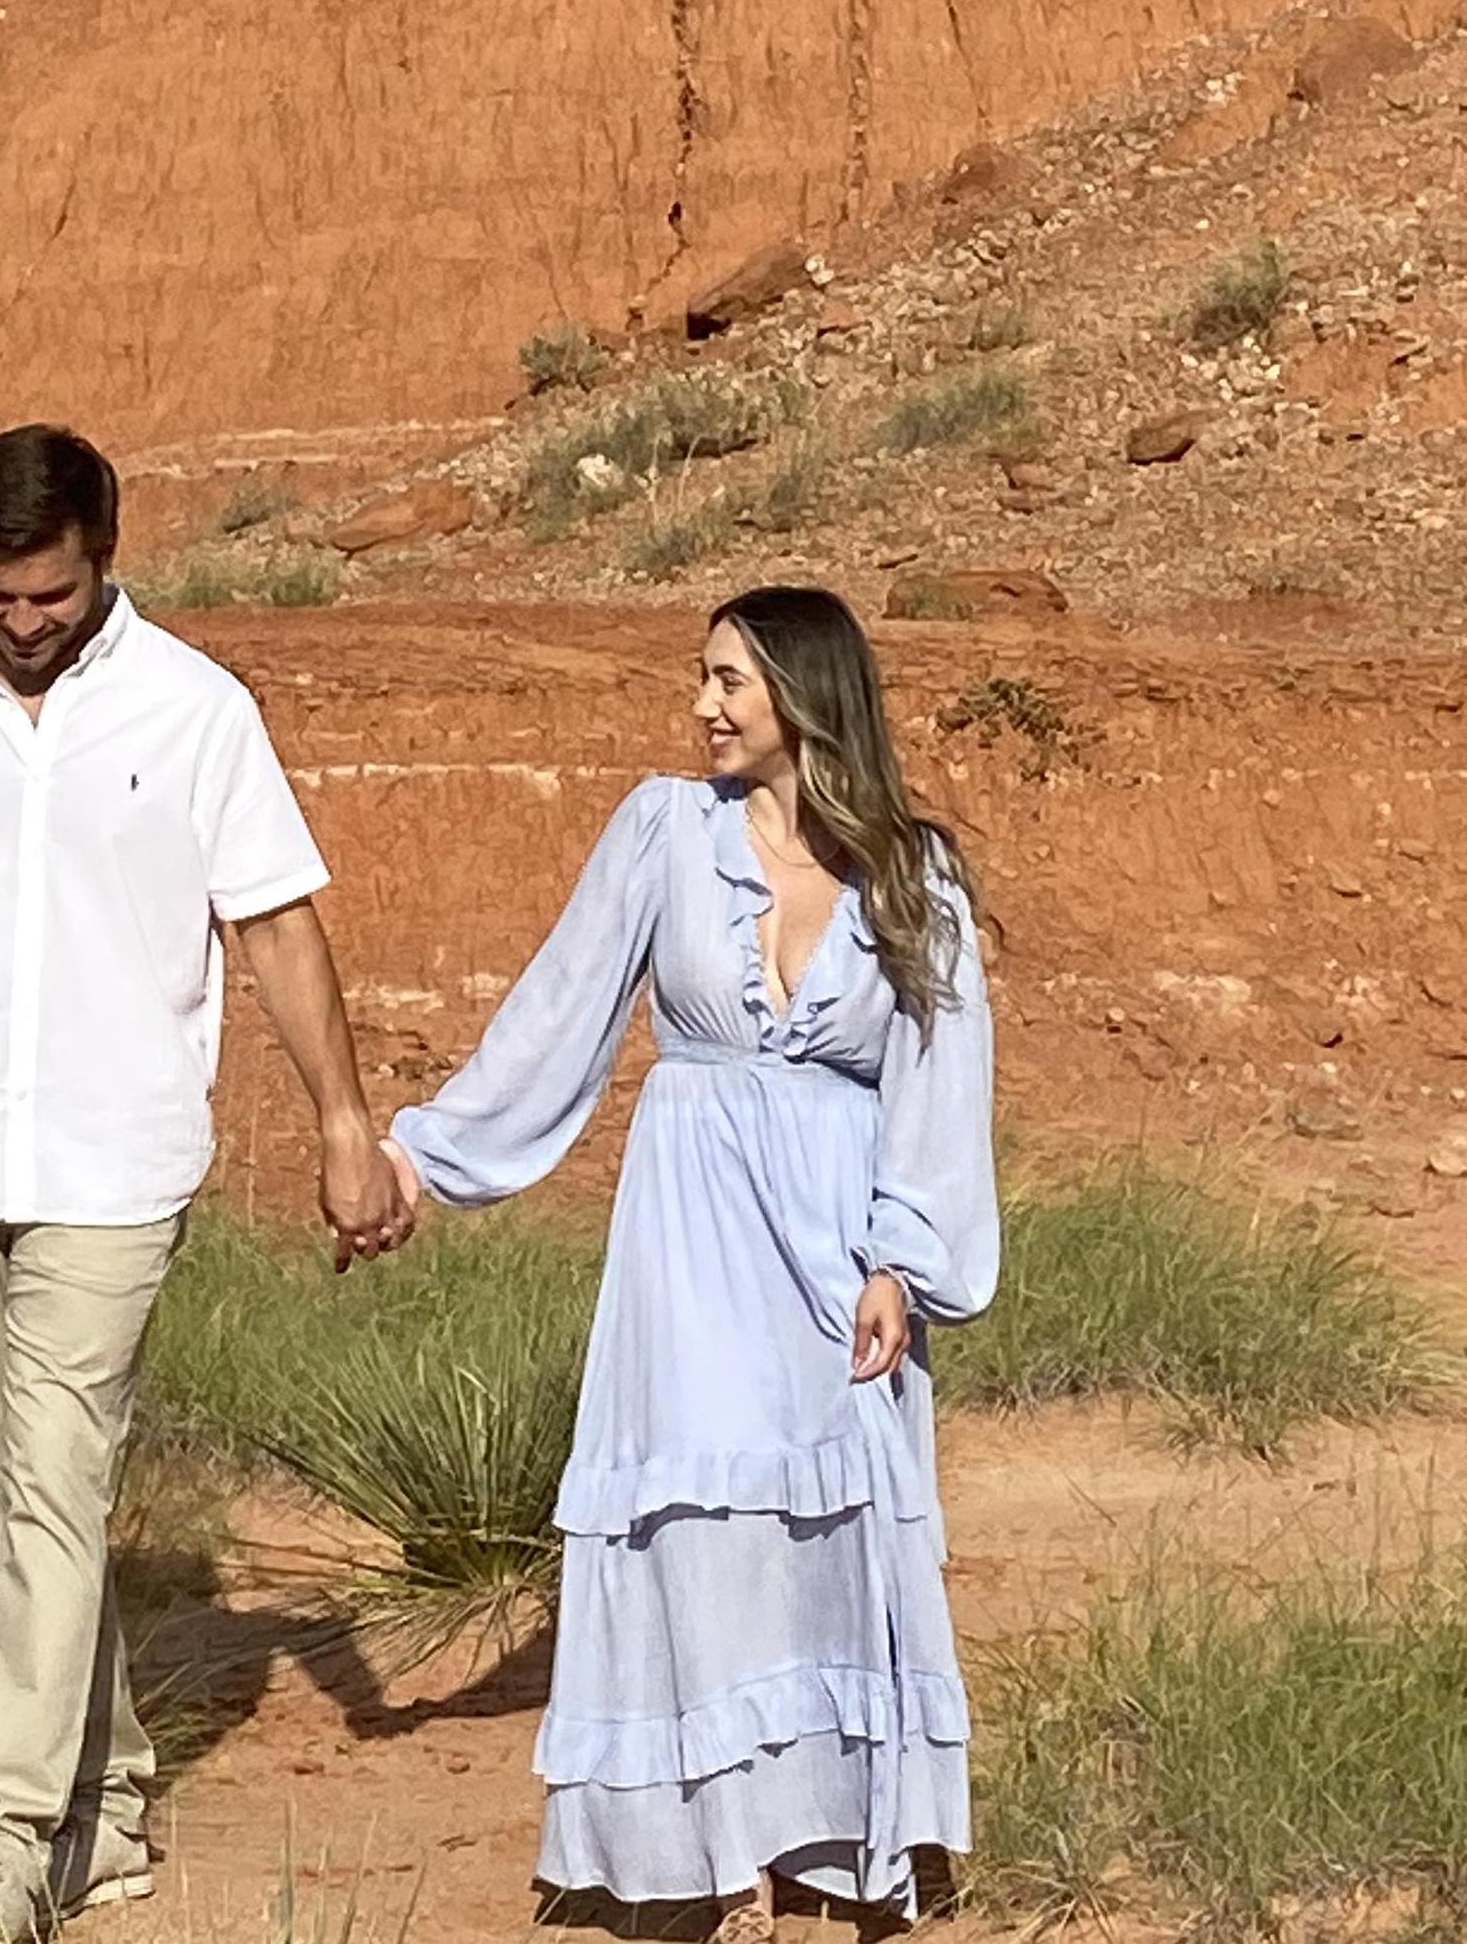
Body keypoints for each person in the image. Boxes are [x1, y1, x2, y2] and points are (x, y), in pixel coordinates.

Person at [0, 423, 409, 1942]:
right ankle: (112, 1795)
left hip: (116, 1168)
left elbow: (272, 924)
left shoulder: (198, 710)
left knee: (56, 1483)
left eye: (48, 594)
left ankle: (9, 1833)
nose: (21, 623)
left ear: (104, 559)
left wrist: (342, 1119)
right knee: (30, 1501)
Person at [384, 584, 999, 1940]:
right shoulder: (664, 830)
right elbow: (562, 1005)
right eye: (700, 676)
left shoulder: (912, 869)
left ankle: (845, 1835)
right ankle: (730, 1860)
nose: (702, 703)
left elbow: (939, 1082)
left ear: (803, 694)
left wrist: (900, 1259)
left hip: (836, 1245)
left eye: (728, 678)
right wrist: (427, 1153)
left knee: (825, 1531)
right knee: (701, 1533)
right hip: (692, 1227)